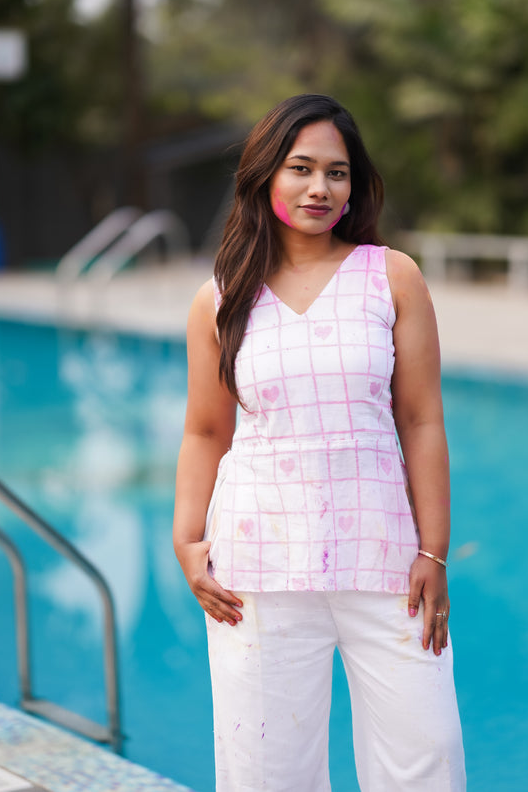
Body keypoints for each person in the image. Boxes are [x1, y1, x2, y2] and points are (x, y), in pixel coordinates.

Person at [173, 93, 466, 791]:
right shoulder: (221, 298)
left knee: (425, 754)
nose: (319, 188)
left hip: (385, 557)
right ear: (265, 175)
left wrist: (434, 550)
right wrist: (188, 541)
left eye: (337, 173)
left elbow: (421, 419)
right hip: (258, 562)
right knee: (266, 767)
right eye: (300, 168)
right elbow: (206, 429)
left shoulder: (392, 277)